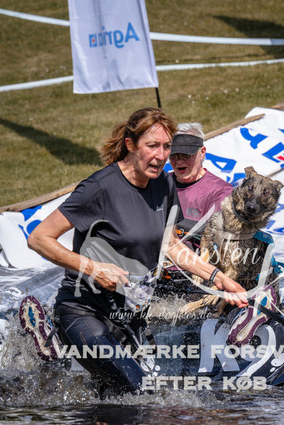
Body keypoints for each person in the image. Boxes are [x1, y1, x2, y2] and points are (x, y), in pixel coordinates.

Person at [27, 108, 247, 394]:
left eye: (166, 147)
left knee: (112, 401)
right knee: (140, 393)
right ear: (130, 145)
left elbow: (170, 245)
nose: (161, 155)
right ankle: (56, 336)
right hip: (84, 312)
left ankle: (60, 347)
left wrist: (218, 278)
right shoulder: (100, 188)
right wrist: (94, 268)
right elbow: (39, 238)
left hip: (128, 320)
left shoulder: (163, 185)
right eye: (152, 146)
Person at [169, 123, 233, 222]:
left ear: (202, 152)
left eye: (186, 155)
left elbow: (216, 229)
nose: (179, 161)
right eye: (174, 155)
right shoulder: (161, 183)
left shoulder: (220, 191)